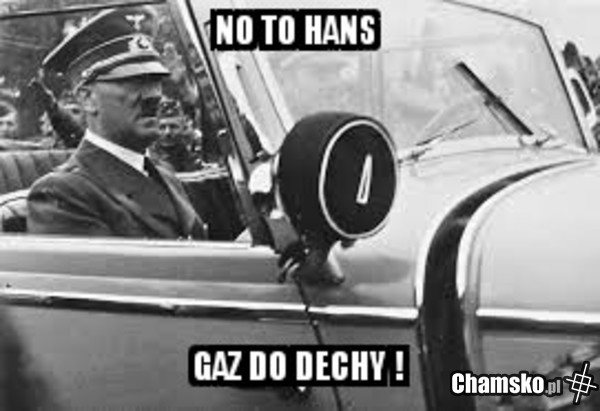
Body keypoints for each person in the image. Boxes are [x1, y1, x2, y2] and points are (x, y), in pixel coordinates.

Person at [27, 8, 206, 239]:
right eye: (135, 81)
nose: (154, 95)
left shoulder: (163, 173)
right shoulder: (62, 195)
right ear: (87, 98)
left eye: (155, 80)